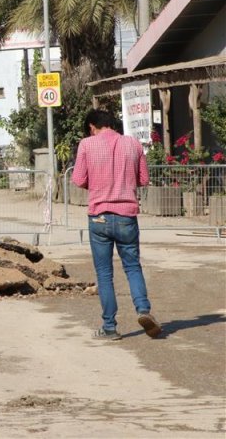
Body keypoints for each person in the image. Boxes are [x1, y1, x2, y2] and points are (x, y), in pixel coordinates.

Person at [72, 109, 161, 340]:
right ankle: (143, 310)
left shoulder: (87, 145)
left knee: (104, 274)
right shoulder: (132, 144)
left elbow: (79, 179)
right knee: (132, 267)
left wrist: (99, 184)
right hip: (126, 215)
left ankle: (109, 327)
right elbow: (143, 179)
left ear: (92, 126)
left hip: (99, 216)